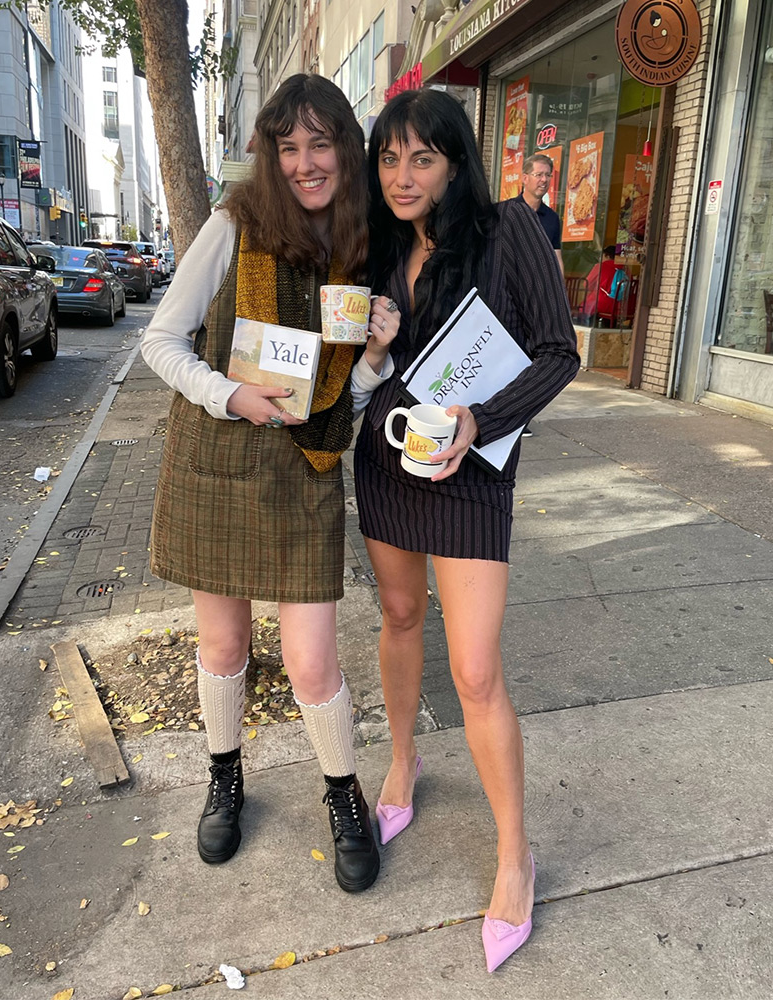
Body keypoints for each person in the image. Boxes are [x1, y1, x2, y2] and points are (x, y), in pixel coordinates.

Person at [141, 74, 399, 893]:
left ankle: (342, 793)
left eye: (320, 144)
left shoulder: (360, 247)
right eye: (287, 147)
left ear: (345, 150)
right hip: (219, 459)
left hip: (306, 466)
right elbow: (160, 340)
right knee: (222, 648)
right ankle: (225, 778)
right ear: (267, 152)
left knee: (311, 662)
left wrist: (371, 362)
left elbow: (342, 408)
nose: (303, 163)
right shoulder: (234, 224)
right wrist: (230, 394)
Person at [354, 89, 579, 970]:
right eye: (389, 159)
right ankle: (404, 764)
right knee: (401, 620)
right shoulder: (375, 247)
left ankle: (515, 855)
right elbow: (364, 373)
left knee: (477, 669)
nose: (403, 177)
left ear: (455, 161)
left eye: (422, 158)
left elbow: (559, 350)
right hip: (389, 467)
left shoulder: (506, 231)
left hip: (472, 474)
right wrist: (369, 356)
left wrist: (478, 422)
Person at [513, 152, 564, 437]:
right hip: (509, 297)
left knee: (530, 359)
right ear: (524, 177)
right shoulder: (506, 212)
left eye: (547, 175)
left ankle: (520, 418)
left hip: (538, 300)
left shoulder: (551, 219)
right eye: (538, 174)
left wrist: (560, 297)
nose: (543, 180)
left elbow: (556, 258)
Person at [583, 245, 627, 324]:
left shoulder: (601, 266)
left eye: (602, 256)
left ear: (607, 255)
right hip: (621, 306)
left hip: (603, 304)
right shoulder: (626, 268)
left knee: (584, 307)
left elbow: (586, 284)